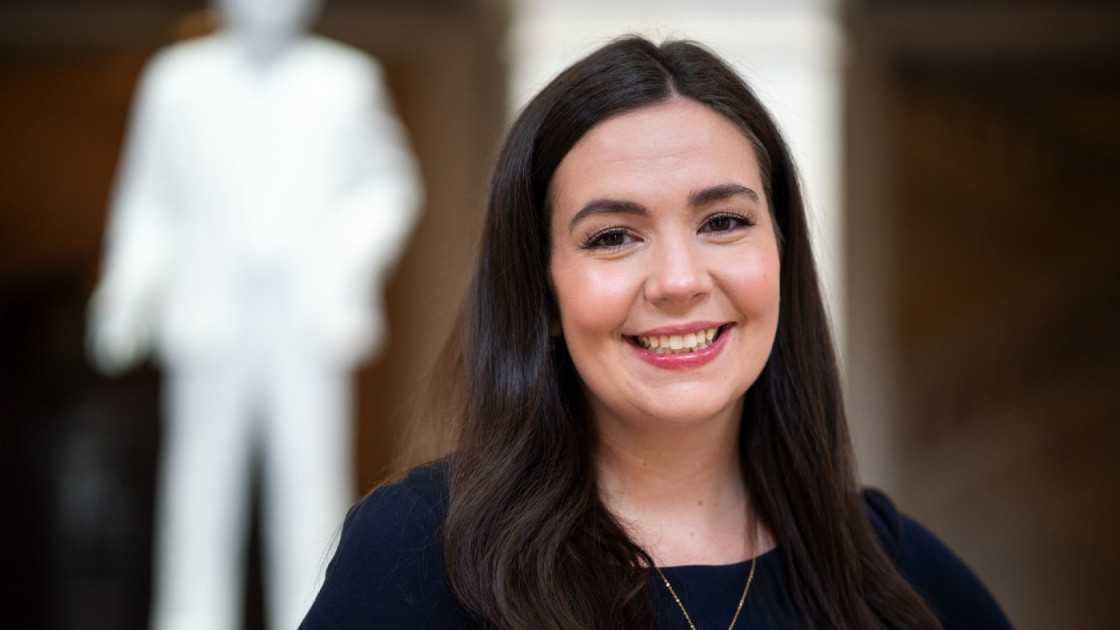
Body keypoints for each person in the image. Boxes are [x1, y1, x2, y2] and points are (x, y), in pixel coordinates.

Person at [300, 36, 1011, 629]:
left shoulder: (894, 577)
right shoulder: (419, 555)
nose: (678, 280)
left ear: (783, 257)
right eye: (613, 236)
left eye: (724, 222)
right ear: (541, 293)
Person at [86, 0, 422, 628]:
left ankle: (312, 616)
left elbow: (389, 186)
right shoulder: (176, 80)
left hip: (304, 312)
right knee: (198, 491)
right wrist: (127, 291)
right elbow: (149, 199)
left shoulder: (345, 79)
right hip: (211, 309)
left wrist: (340, 259)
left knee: (310, 486)